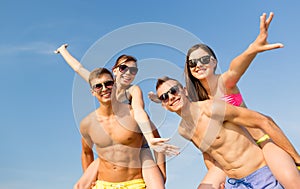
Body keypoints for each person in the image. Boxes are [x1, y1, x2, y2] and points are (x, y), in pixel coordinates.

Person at [183, 12, 300, 188]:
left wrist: (253, 48)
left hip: (261, 143)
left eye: (204, 59)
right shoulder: (199, 105)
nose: (198, 65)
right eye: (193, 63)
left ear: (214, 62)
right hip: (234, 160)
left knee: (293, 182)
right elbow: (207, 150)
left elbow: (235, 68)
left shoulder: (225, 83)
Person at [55, 46, 178, 188]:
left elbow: (138, 111)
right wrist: (63, 51)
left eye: (133, 70)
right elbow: (79, 68)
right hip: (111, 147)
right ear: (115, 71)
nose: (128, 72)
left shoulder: (133, 89)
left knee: (158, 185)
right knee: (81, 184)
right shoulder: (102, 82)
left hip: (139, 144)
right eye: (124, 68)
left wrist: (149, 138)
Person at [155, 76, 299, 188]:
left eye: (173, 91)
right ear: (163, 105)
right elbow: (208, 153)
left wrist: (297, 160)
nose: (171, 97)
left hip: (260, 173)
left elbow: (264, 121)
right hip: (235, 183)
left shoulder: (212, 109)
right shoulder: (183, 130)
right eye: (164, 97)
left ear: (184, 90)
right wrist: (219, 180)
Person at [73, 68, 164, 189]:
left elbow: (158, 142)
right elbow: (86, 152)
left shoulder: (133, 114)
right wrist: (89, 178)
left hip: (135, 183)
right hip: (103, 184)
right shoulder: (87, 123)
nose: (104, 89)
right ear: (93, 92)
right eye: (98, 86)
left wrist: (162, 175)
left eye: (108, 83)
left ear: (115, 85)